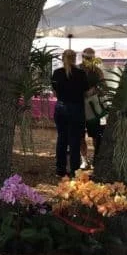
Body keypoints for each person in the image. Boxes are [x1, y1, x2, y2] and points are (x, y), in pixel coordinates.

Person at [51, 49, 89, 178]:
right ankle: (75, 170)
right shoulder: (81, 74)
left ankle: (60, 170)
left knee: (61, 139)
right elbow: (86, 92)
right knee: (75, 140)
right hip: (76, 109)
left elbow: (55, 93)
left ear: (62, 58)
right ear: (75, 58)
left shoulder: (57, 73)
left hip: (61, 107)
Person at [79, 48, 106, 169]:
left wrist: (95, 90)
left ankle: (96, 158)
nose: (88, 60)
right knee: (80, 134)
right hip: (79, 105)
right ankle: (84, 160)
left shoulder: (98, 71)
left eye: (90, 58)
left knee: (96, 134)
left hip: (93, 106)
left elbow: (104, 88)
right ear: (82, 57)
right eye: (86, 57)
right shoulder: (76, 69)